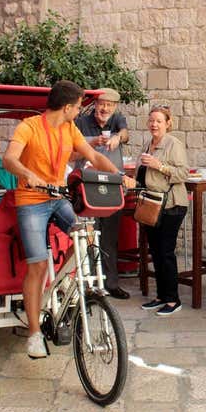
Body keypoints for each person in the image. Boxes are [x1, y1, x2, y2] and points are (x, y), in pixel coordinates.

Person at [2, 80, 135, 359]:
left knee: (86, 233)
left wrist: (118, 177)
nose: (79, 112)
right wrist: (28, 175)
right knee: (37, 265)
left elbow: (94, 156)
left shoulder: (68, 128)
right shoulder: (29, 126)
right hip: (31, 201)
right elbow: (9, 159)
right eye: (77, 107)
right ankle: (34, 334)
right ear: (66, 107)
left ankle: (62, 284)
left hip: (57, 198)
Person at [74, 87, 131, 299]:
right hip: (87, 187)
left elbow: (125, 133)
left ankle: (111, 283)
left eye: (109, 105)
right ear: (94, 105)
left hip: (112, 186)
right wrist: (90, 143)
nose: (104, 108)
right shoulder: (81, 122)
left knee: (109, 236)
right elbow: (70, 153)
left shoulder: (117, 120)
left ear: (115, 107)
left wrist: (118, 137)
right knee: (88, 236)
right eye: (101, 104)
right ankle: (89, 285)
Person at [136, 105, 190, 316]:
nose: (154, 124)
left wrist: (159, 166)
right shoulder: (148, 143)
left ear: (168, 123)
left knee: (166, 252)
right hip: (152, 203)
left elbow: (182, 173)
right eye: (151, 120)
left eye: (158, 121)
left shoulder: (173, 144)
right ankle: (161, 296)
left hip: (172, 205)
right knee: (155, 251)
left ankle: (173, 299)